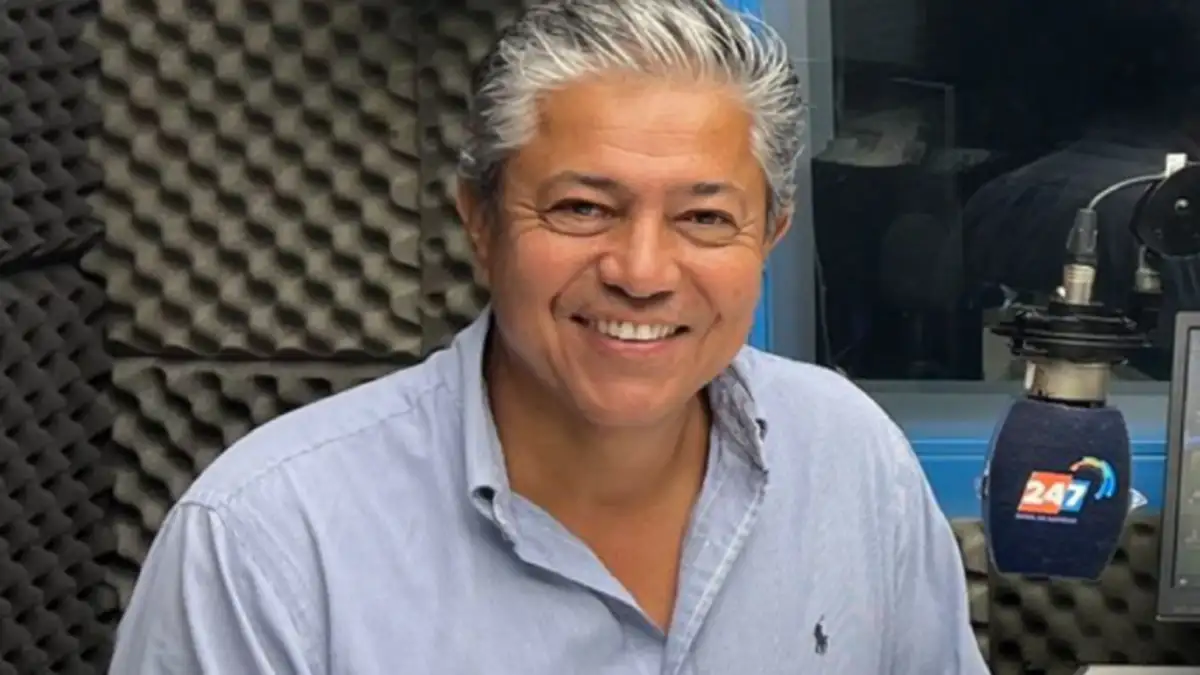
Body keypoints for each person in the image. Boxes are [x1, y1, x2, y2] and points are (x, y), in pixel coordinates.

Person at [109, 1, 989, 673]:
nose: (641, 270)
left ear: (770, 234)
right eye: (582, 207)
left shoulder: (850, 457)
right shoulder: (266, 542)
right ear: (480, 221)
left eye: (704, 217)